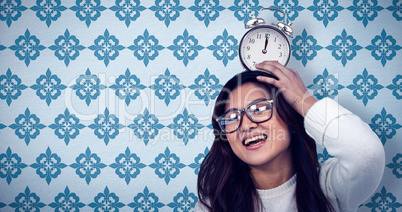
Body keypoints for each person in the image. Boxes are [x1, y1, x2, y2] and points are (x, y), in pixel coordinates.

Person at [195, 61, 385, 212]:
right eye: (231, 118)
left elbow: (367, 153)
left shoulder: (330, 187)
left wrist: (302, 99)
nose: (245, 125)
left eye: (260, 109)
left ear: (290, 118)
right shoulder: (213, 206)